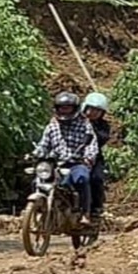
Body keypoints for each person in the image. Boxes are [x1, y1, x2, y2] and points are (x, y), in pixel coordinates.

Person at [35, 91, 100, 225]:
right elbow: (43, 145)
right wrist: (35, 154)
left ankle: (85, 213)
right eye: (62, 108)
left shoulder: (84, 125)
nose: (64, 111)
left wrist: (88, 157)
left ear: (75, 109)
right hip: (55, 165)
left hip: (76, 164)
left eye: (68, 108)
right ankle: (39, 210)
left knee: (82, 179)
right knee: (37, 180)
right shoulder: (52, 127)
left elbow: (92, 145)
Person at [83, 92, 111, 218]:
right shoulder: (75, 120)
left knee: (96, 178)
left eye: (97, 111)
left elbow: (102, 138)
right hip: (71, 154)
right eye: (91, 109)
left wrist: (90, 129)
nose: (93, 112)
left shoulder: (103, 126)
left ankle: (96, 207)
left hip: (93, 157)